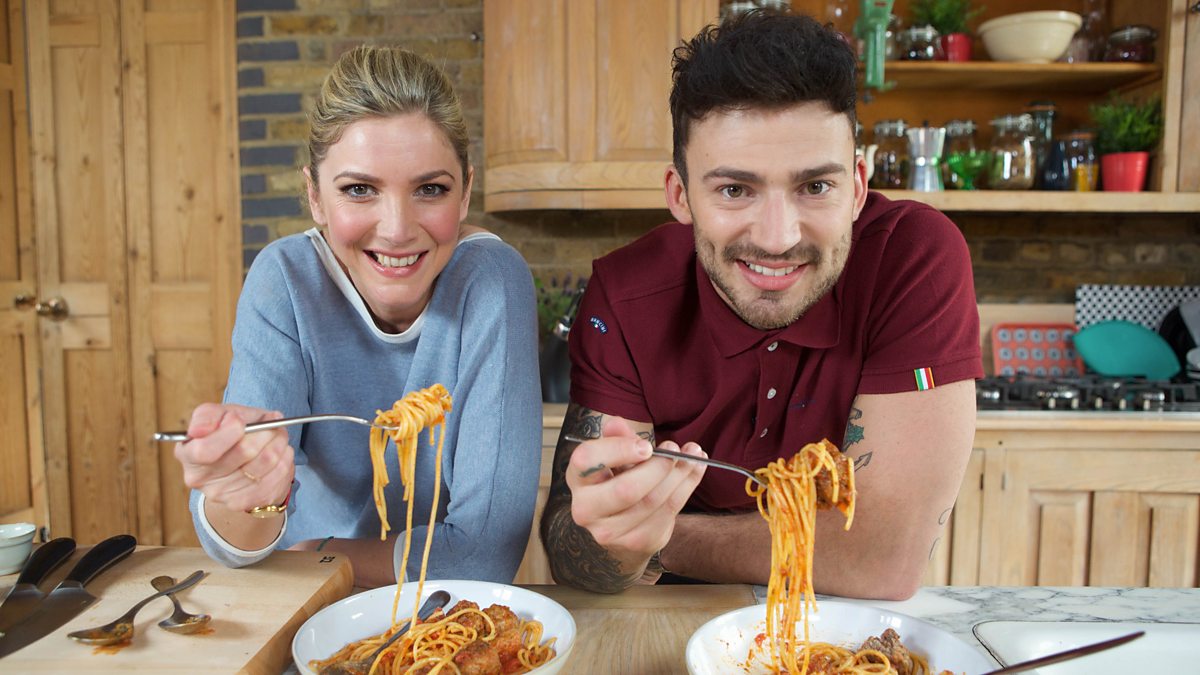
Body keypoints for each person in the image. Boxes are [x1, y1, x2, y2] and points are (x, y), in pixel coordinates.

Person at [539, 10, 981, 600]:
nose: (777, 238)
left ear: (857, 185)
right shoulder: (623, 295)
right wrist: (610, 539)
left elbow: (883, 558)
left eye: (814, 186)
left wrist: (660, 537)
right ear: (680, 193)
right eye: (734, 189)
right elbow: (572, 549)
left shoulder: (914, 259)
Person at [174, 45, 542, 588]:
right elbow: (239, 547)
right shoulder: (286, 281)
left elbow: (483, 560)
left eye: (430, 189)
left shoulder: (492, 282)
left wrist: (314, 552)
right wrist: (244, 495)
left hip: (441, 621)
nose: (396, 228)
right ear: (315, 197)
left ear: (465, 192)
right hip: (308, 613)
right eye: (359, 190)